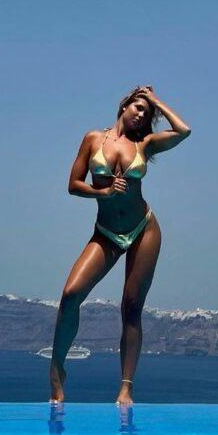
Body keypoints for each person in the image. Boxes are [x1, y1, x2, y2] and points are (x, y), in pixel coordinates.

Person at [49, 87, 190, 405]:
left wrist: (156, 102)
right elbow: (73, 185)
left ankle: (126, 387)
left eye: (146, 112)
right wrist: (103, 193)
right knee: (71, 295)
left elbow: (184, 131)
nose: (141, 114)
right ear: (123, 106)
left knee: (131, 307)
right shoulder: (93, 139)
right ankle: (57, 369)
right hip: (107, 232)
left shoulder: (145, 144)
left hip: (144, 229)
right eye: (138, 107)